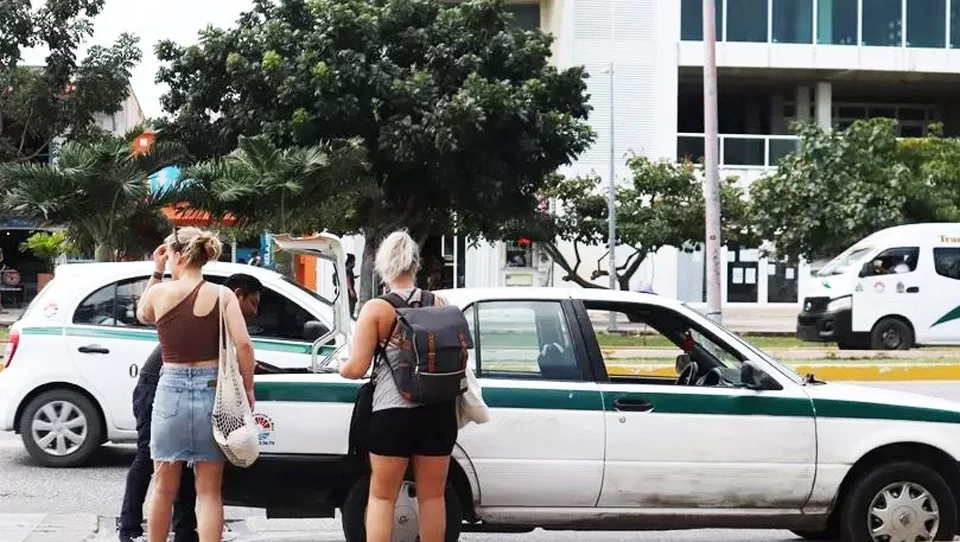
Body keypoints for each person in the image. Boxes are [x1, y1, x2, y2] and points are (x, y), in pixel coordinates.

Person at [118, 272, 263, 542]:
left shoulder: (163, 292)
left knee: (163, 486)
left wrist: (157, 271)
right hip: (208, 390)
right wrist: (248, 388)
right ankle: (141, 527)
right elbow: (244, 344)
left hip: (168, 387)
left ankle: (171, 531)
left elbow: (142, 313)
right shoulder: (223, 296)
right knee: (208, 491)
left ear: (179, 258)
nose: (255, 311)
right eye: (253, 303)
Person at [339, 230, 457, 542]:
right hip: (438, 412)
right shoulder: (440, 303)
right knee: (433, 497)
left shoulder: (377, 309)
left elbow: (358, 367)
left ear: (383, 266)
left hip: (392, 412)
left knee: (381, 497)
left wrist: (340, 367)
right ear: (415, 265)